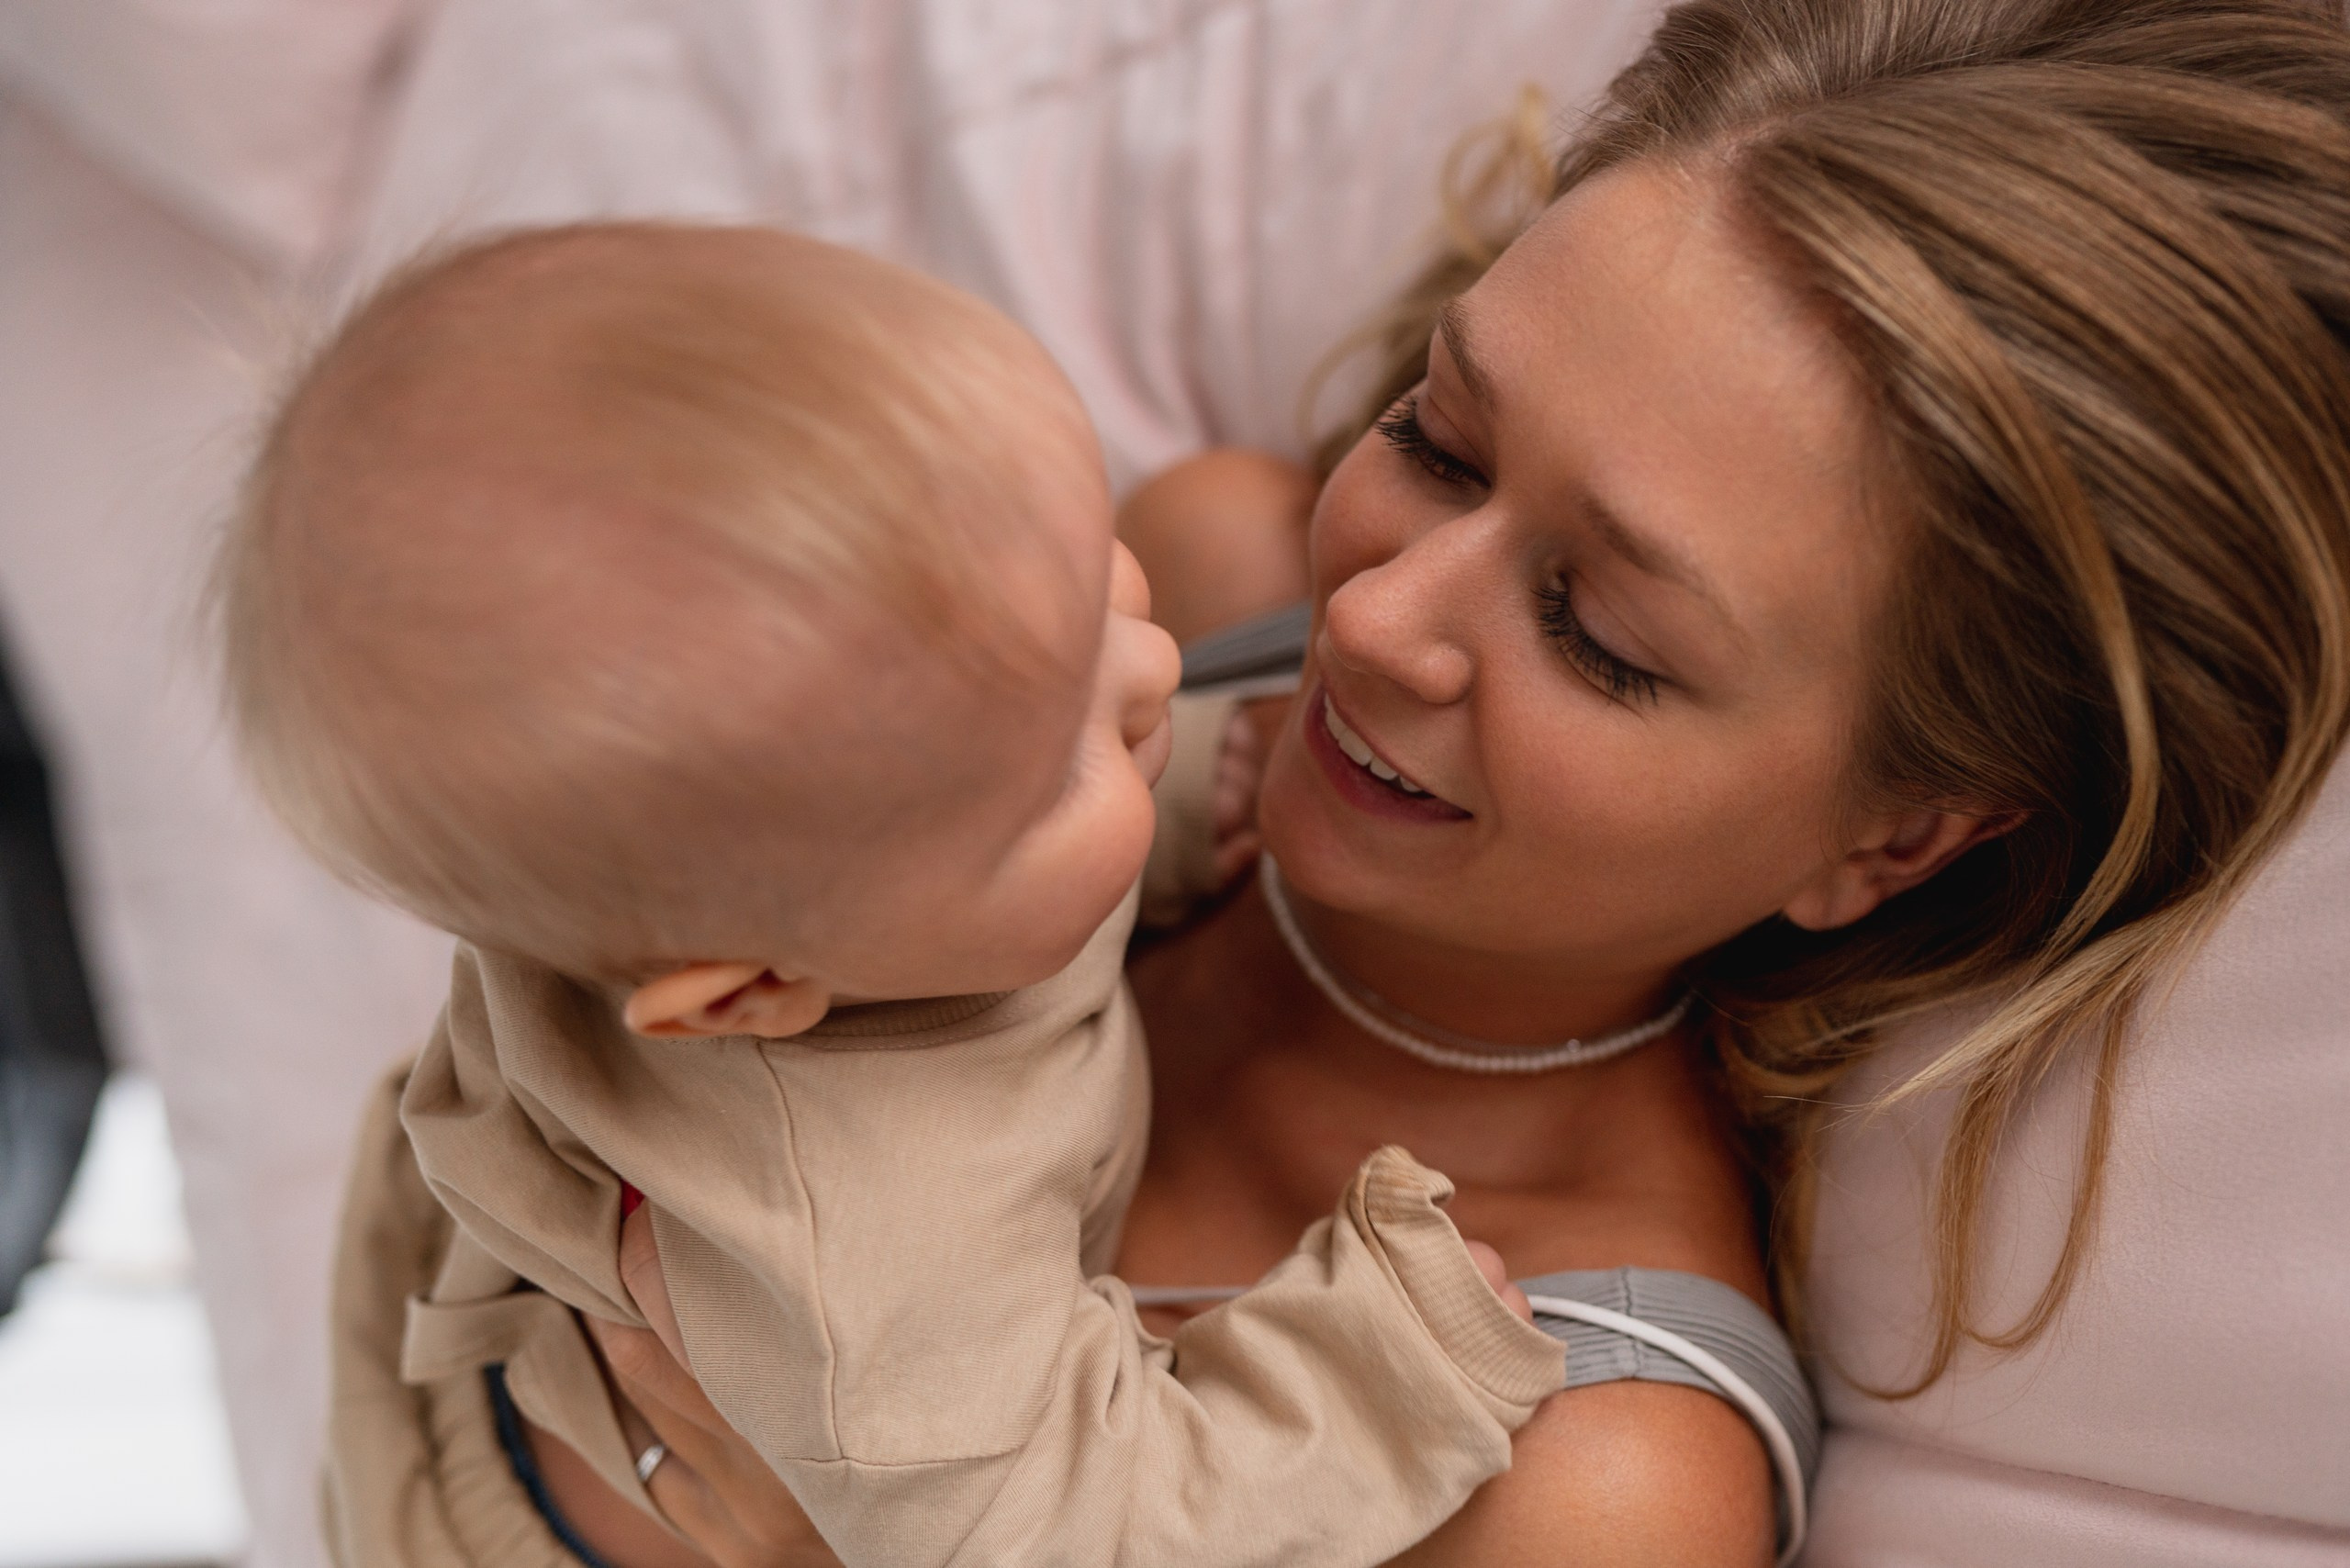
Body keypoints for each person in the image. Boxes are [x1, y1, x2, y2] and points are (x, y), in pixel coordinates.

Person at [222, 221, 1595, 1568]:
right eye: (1057, 774)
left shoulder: (845, 856)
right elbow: (1083, 1538)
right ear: (757, 994)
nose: (1152, 671)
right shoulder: (874, 1249)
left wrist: (1164, 803)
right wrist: (1375, 1379)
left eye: (1088, 575)